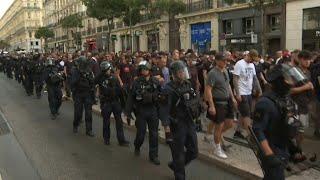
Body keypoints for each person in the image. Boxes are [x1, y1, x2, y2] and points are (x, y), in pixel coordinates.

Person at [252, 63, 308, 180]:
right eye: (288, 79)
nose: (292, 82)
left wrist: (293, 148)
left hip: (282, 147)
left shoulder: (285, 98)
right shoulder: (265, 103)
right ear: (280, 81)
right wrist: (269, 154)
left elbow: (285, 124)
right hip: (271, 148)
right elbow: (257, 130)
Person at [159, 60, 200, 180]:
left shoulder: (188, 84)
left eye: (184, 71)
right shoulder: (168, 89)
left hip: (189, 122)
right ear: (175, 74)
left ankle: (175, 165)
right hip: (177, 125)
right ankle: (179, 175)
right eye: (181, 72)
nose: (183, 74)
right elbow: (164, 110)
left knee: (193, 151)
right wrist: (167, 130)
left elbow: (193, 101)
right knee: (179, 155)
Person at [126, 60, 161, 165]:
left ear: (149, 70)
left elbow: (160, 95)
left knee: (154, 134)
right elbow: (131, 98)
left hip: (152, 110)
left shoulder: (155, 81)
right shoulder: (136, 82)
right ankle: (137, 146)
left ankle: (153, 155)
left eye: (145, 69)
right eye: (142, 69)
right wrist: (128, 112)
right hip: (141, 110)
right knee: (141, 134)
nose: (144, 71)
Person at [204, 53, 237, 159]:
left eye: (227, 60)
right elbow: (208, 89)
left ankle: (215, 136)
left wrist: (232, 97)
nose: (226, 62)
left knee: (230, 123)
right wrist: (211, 105)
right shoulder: (212, 73)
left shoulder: (226, 71)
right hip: (218, 102)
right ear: (217, 61)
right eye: (223, 60)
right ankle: (217, 148)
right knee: (219, 125)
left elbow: (228, 85)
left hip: (227, 101)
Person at [94, 61, 129, 146]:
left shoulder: (114, 78)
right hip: (106, 102)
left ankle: (121, 140)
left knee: (119, 122)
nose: (109, 70)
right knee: (106, 122)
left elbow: (120, 92)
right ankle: (106, 139)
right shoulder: (100, 78)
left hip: (115, 102)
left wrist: (123, 105)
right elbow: (94, 82)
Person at [233, 49, 262, 139]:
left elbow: (254, 77)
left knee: (243, 113)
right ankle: (251, 135)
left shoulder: (252, 65)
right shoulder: (240, 64)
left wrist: (259, 89)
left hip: (249, 92)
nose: (253, 61)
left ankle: (237, 131)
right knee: (247, 114)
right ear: (248, 55)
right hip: (242, 92)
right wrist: (237, 93)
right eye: (252, 59)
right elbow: (235, 78)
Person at [71, 56, 95, 137]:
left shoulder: (89, 70)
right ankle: (75, 125)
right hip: (78, 94)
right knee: (78, 112)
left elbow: (93, 82)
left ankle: (89, 130)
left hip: (87, 93)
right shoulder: (75, 71)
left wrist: (87, 76)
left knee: (88, 113)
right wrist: (80, 76)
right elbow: (72, 83)